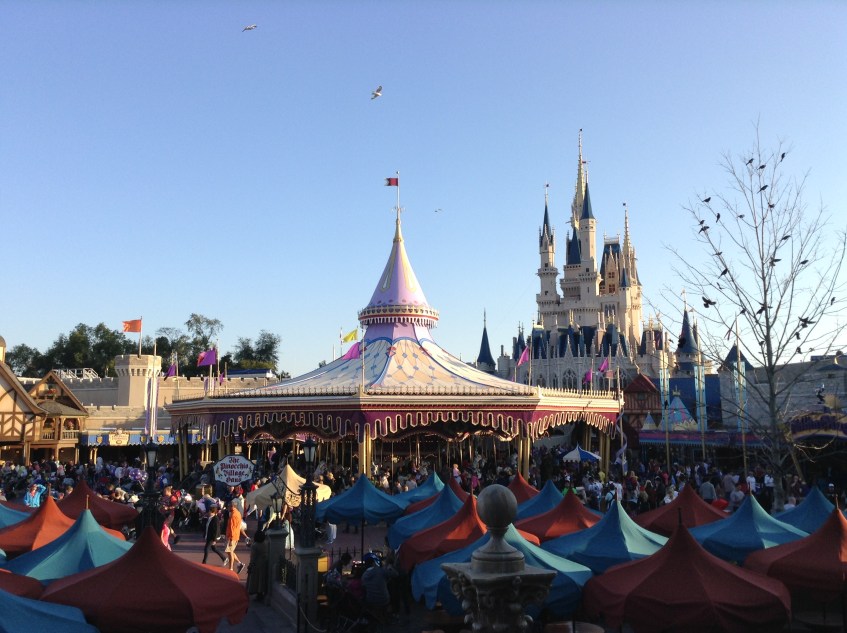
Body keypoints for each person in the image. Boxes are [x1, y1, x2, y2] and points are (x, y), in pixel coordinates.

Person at [246, 530, 269, 601]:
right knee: (261, 579)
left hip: (256, 564)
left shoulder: (255, 545)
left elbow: (253, 557)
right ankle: (260, 593)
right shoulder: (266, 543)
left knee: (256, 580)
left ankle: (256, 593)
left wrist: (250, 565)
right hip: (264, 563)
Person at [226, 499, 245, 574]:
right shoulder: (237, 513)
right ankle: (239, 563)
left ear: (232, 506)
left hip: (232, 536)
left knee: (230, 552)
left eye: (228, 506)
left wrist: (231, 539)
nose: (227, 508)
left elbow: (232, 527)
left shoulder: (233, 515)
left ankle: (231, 568)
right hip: (235, 535)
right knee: (230, 551)